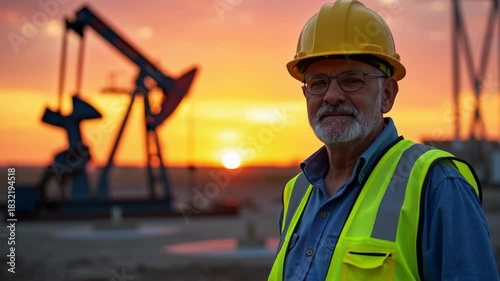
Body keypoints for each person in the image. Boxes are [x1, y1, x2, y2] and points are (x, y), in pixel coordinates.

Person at [268, 0, 500, 280]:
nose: (331, 96)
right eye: (318, 83)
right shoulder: (297, 191)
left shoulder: (438, 185)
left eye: (351, 79)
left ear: (387, 94)